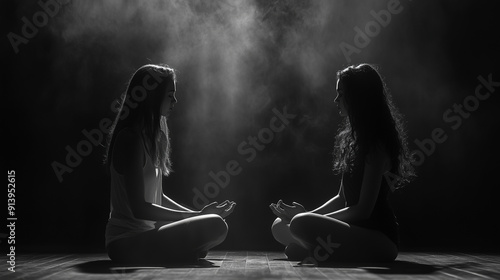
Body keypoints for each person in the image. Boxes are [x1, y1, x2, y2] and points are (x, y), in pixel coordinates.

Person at [270, 64, 415, 263]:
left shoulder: (376, 147)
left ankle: (318, 248)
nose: (336, 100)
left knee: (299, 225)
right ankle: (320, 249)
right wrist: (307, 213)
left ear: (357, 98)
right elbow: (341, 197)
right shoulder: (354, 142)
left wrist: (307, 219)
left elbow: (363, 210)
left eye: (341, 94)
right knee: (279, 225)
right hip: (352, 232)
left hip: (379, 239)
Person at [104, 64, 236, 264]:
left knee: (212, 227)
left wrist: (196, 215)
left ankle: (177, 251)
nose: (175, 100)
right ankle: (177, 251)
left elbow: (158, 197)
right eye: (170, 95)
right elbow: (140, 209)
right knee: (215, 226)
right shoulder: (130, 139)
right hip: (125, 242)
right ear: (153, 96)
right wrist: (196, 217)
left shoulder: (155, 137)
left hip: (147, 237)